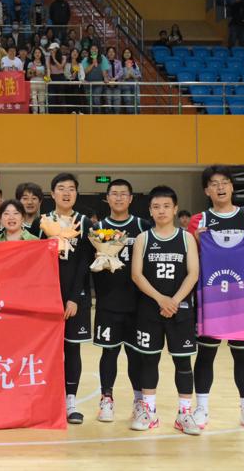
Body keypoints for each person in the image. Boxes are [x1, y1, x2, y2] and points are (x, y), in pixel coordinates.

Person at [187, 165, 244, 433]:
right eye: (214, 183)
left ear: (232, 187)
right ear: (206, 191)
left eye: (224, 182)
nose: (220, 187)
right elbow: (191, 260)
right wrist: (197, 242)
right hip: (210, 298)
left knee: (243, 356)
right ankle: (201, 408)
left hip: (242, 300)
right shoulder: (199, 221)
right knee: (206, 354)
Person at [130, 185, 201, 435]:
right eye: (156, 207)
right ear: (150, 210)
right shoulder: (143, 239)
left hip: (180, 310)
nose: (161, 211)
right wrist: (161, 299)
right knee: (149, 361)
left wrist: (174, 301)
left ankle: (184, 414)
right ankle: (149, 412)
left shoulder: (186, 238)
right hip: (150, 310)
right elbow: (137, 275)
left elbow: (193, 273)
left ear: (175, 209)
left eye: (166, 206)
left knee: (183, 362)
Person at [92, 179, 150, 423]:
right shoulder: (98, 228)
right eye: (114, 194)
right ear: (107, 198)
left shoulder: (142, 226)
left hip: (138, 303)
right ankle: (106, 399)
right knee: (109, 353)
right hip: (108, 302)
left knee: (136, 355)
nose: (118, 198)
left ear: (131, 198)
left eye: (123, 194)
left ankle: (139, 401)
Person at [41, 173, 93, 424]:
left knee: (72, 348)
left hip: (75, 298)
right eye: (61, 188)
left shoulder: (84, 222)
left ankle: (70, 402)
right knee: (48, 350)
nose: (66, 193)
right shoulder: (42, 222)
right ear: (52, 194)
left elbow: (84, 263)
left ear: (76, 194)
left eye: (71, 189)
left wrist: (73, 298)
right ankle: (48, 401)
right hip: (46, 298)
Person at [82, 45, 110, 114]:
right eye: (92, 49)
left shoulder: (102, 58)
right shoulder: (85, 59)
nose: (94, 50)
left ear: (98, 50)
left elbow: (104, 70)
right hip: (88, 84)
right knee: (90, 102)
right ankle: (90, 116)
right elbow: (84, 72)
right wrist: (93, 63)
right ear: (90, 51)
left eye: (96, 49)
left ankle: (97, 116)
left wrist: (105, 77)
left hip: (98, 84)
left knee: (96, 99)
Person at [46, 43, 67, 114]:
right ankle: (52, 115)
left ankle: (61, 115)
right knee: (51, 97)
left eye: (53, 49)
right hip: (52, 77)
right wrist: (48, 77)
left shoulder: (63, 57)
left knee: (61, 97)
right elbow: (48, 69)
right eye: (50, 49)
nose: (51, 51)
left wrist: (54, 58)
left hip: (61, 77)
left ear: (57, 49)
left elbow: (60, 67)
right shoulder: (48, 58)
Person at [119, 48, 141, 114]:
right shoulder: (120, 64)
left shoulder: (134, 64)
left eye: (128, 52)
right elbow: (119, 77)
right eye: (125, 52)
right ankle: (130, 116)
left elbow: (139, 75)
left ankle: (137, 116)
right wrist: (125, 77)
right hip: (125, 86)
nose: (127, 54)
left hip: (135, 85)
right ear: (123, 54)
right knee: (128, 101)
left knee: (137, 101)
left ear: (131, 54)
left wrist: (133, 76)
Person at [27, 48, 48, 114]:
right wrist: (34, 73)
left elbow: (47, 77)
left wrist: (43, 75)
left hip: (42, 84)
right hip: (33, 84)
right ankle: (35, 114)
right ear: (33, 54)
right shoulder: (30, 64)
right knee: (34, 100)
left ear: (41, 54)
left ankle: (42, 114)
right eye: (36, 52)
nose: (37, 54)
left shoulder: (44, 64)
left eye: (39, 52)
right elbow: (28, 75)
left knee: (42, 100)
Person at [104, 47, 123, 114]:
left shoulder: (118, 62)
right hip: (108, 85)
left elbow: (121, 72)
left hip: (117, 85)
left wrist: (115, 79)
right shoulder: (105, 62)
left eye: (113, 51)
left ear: (115, 53)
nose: (111, 53)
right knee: (108, 103)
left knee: (117, 104)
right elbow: (104, 72)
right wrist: (109, 79)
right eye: (109, 51)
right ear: (107, 53)